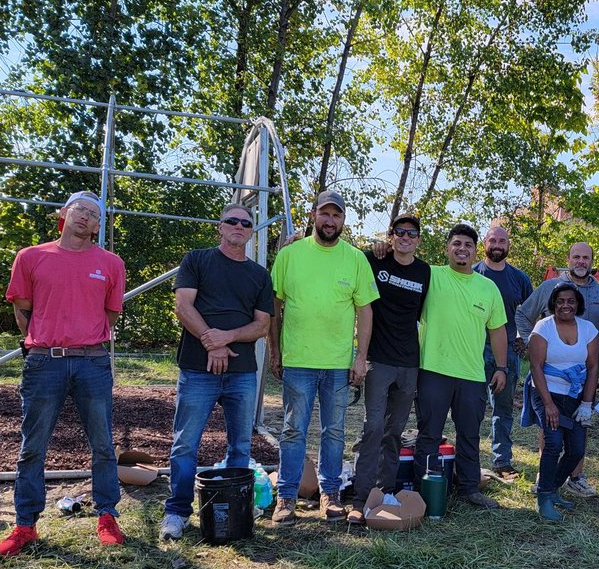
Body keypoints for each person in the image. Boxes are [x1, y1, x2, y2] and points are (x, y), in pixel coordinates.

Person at [0, 190, 127, 557]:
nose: (85, 217)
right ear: (64, 214)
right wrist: (44, 341)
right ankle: (25, 525)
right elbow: (23, 309)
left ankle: (107, 516)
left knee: (103, 444)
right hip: (44, 362)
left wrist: (82, 338)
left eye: (93, 215)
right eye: (79, 209)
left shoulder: (111, 264)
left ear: (98, 227)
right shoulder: (31, 257)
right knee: (32, 446)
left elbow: (110, 314)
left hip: (92, 362)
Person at [160, 204, 274, 541]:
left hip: (242, 372)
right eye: (232, 221)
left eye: (246, 223)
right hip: (198, 369)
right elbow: (183, 306)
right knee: (185, 443)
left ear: (251, 232)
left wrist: (227, 337)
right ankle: (177, 512)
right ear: (220, 226)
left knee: (240, 446)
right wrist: (212, 342)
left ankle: (237, 510)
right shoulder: (197, 260)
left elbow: (262, 325)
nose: (239, 226)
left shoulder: (259, 275)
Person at [269, 190, 377, 524]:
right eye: (325, 214)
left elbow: (365, 310)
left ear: (343, 220)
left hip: (337, 364)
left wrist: (360, 357)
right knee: (293, 430)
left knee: (334, 432)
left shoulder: (355, 259)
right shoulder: (290, 255)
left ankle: (330, 494)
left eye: (337, 215)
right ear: (313, 214)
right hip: (298, 360)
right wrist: (274, 350)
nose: (330, 221)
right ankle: (286, 497)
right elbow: (274, 305)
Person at [414, 223, 508, 509]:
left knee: (469, 434)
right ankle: (425, 491)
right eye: (456, 243)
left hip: (472, 375)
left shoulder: (487, 287)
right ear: (447, 248)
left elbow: (498, 331)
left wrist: (501, 367)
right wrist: (383, 249)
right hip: (433, 370)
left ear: (475, 251)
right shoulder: (430, 275)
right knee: (429, 433)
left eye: (468, 245)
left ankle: (469, 489)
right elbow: (400, 269)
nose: (462, 249)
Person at [349, 213, 431, 524]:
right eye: (400, 232)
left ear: (418, 240)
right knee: (372, 428)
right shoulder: (373, 259)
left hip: (409, 362)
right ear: (391, 235)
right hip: (378, 359)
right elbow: (343, 257)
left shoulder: (424, 271)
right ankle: (360, 498)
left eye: (412, 233)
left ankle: (385, 492)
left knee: (395, 431)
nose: (406, 237)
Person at [516, 241, 599, 498]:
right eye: (576, 257)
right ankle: (544, 476)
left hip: (583, 376)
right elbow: (522, 315)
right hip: (549, 375)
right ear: (568, 260)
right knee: (550, 431)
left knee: (579, 430)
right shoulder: (550, 287)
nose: (581, 262)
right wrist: (532, 343)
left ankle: (575, 477)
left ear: (592, 262)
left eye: (586, 258)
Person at [526, 282, 599, 520]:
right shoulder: (543, 327)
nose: (565, 305)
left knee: (576, 450)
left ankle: (553, 488)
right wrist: (548, 405)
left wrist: (587, 404)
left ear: (578, 304)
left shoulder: (588, 329)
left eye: (570, 301)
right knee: (553, 443)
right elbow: (536, 367)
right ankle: (543, 497)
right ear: (553, 304)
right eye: (560, 301)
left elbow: (593, 367)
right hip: (547, 393)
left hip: (575, 396)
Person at [474, 226, 533, 481]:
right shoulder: (473, 273)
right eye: (493, 240)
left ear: (508, 245)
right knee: (472, 408)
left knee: (503, 408)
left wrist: (523, 338)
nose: (497, 245)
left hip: (507, 351)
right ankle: (469, 462)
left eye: (502, 241)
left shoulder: (519, 278)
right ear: (485, 244)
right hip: (474, 350)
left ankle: (502, 461)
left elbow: (531, 313)